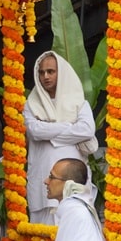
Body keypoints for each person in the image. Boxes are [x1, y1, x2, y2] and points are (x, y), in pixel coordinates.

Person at [23, 51, 98, 225]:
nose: (45, 76)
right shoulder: (32, 104)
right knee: (41, 239)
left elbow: (86, 130)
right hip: (43, 179)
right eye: (41, 72)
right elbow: (34, 131)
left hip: (71, 179)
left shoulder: (79, 102)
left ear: (61, 73)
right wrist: (67, 125)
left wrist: (50, 132)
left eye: (51, 71)